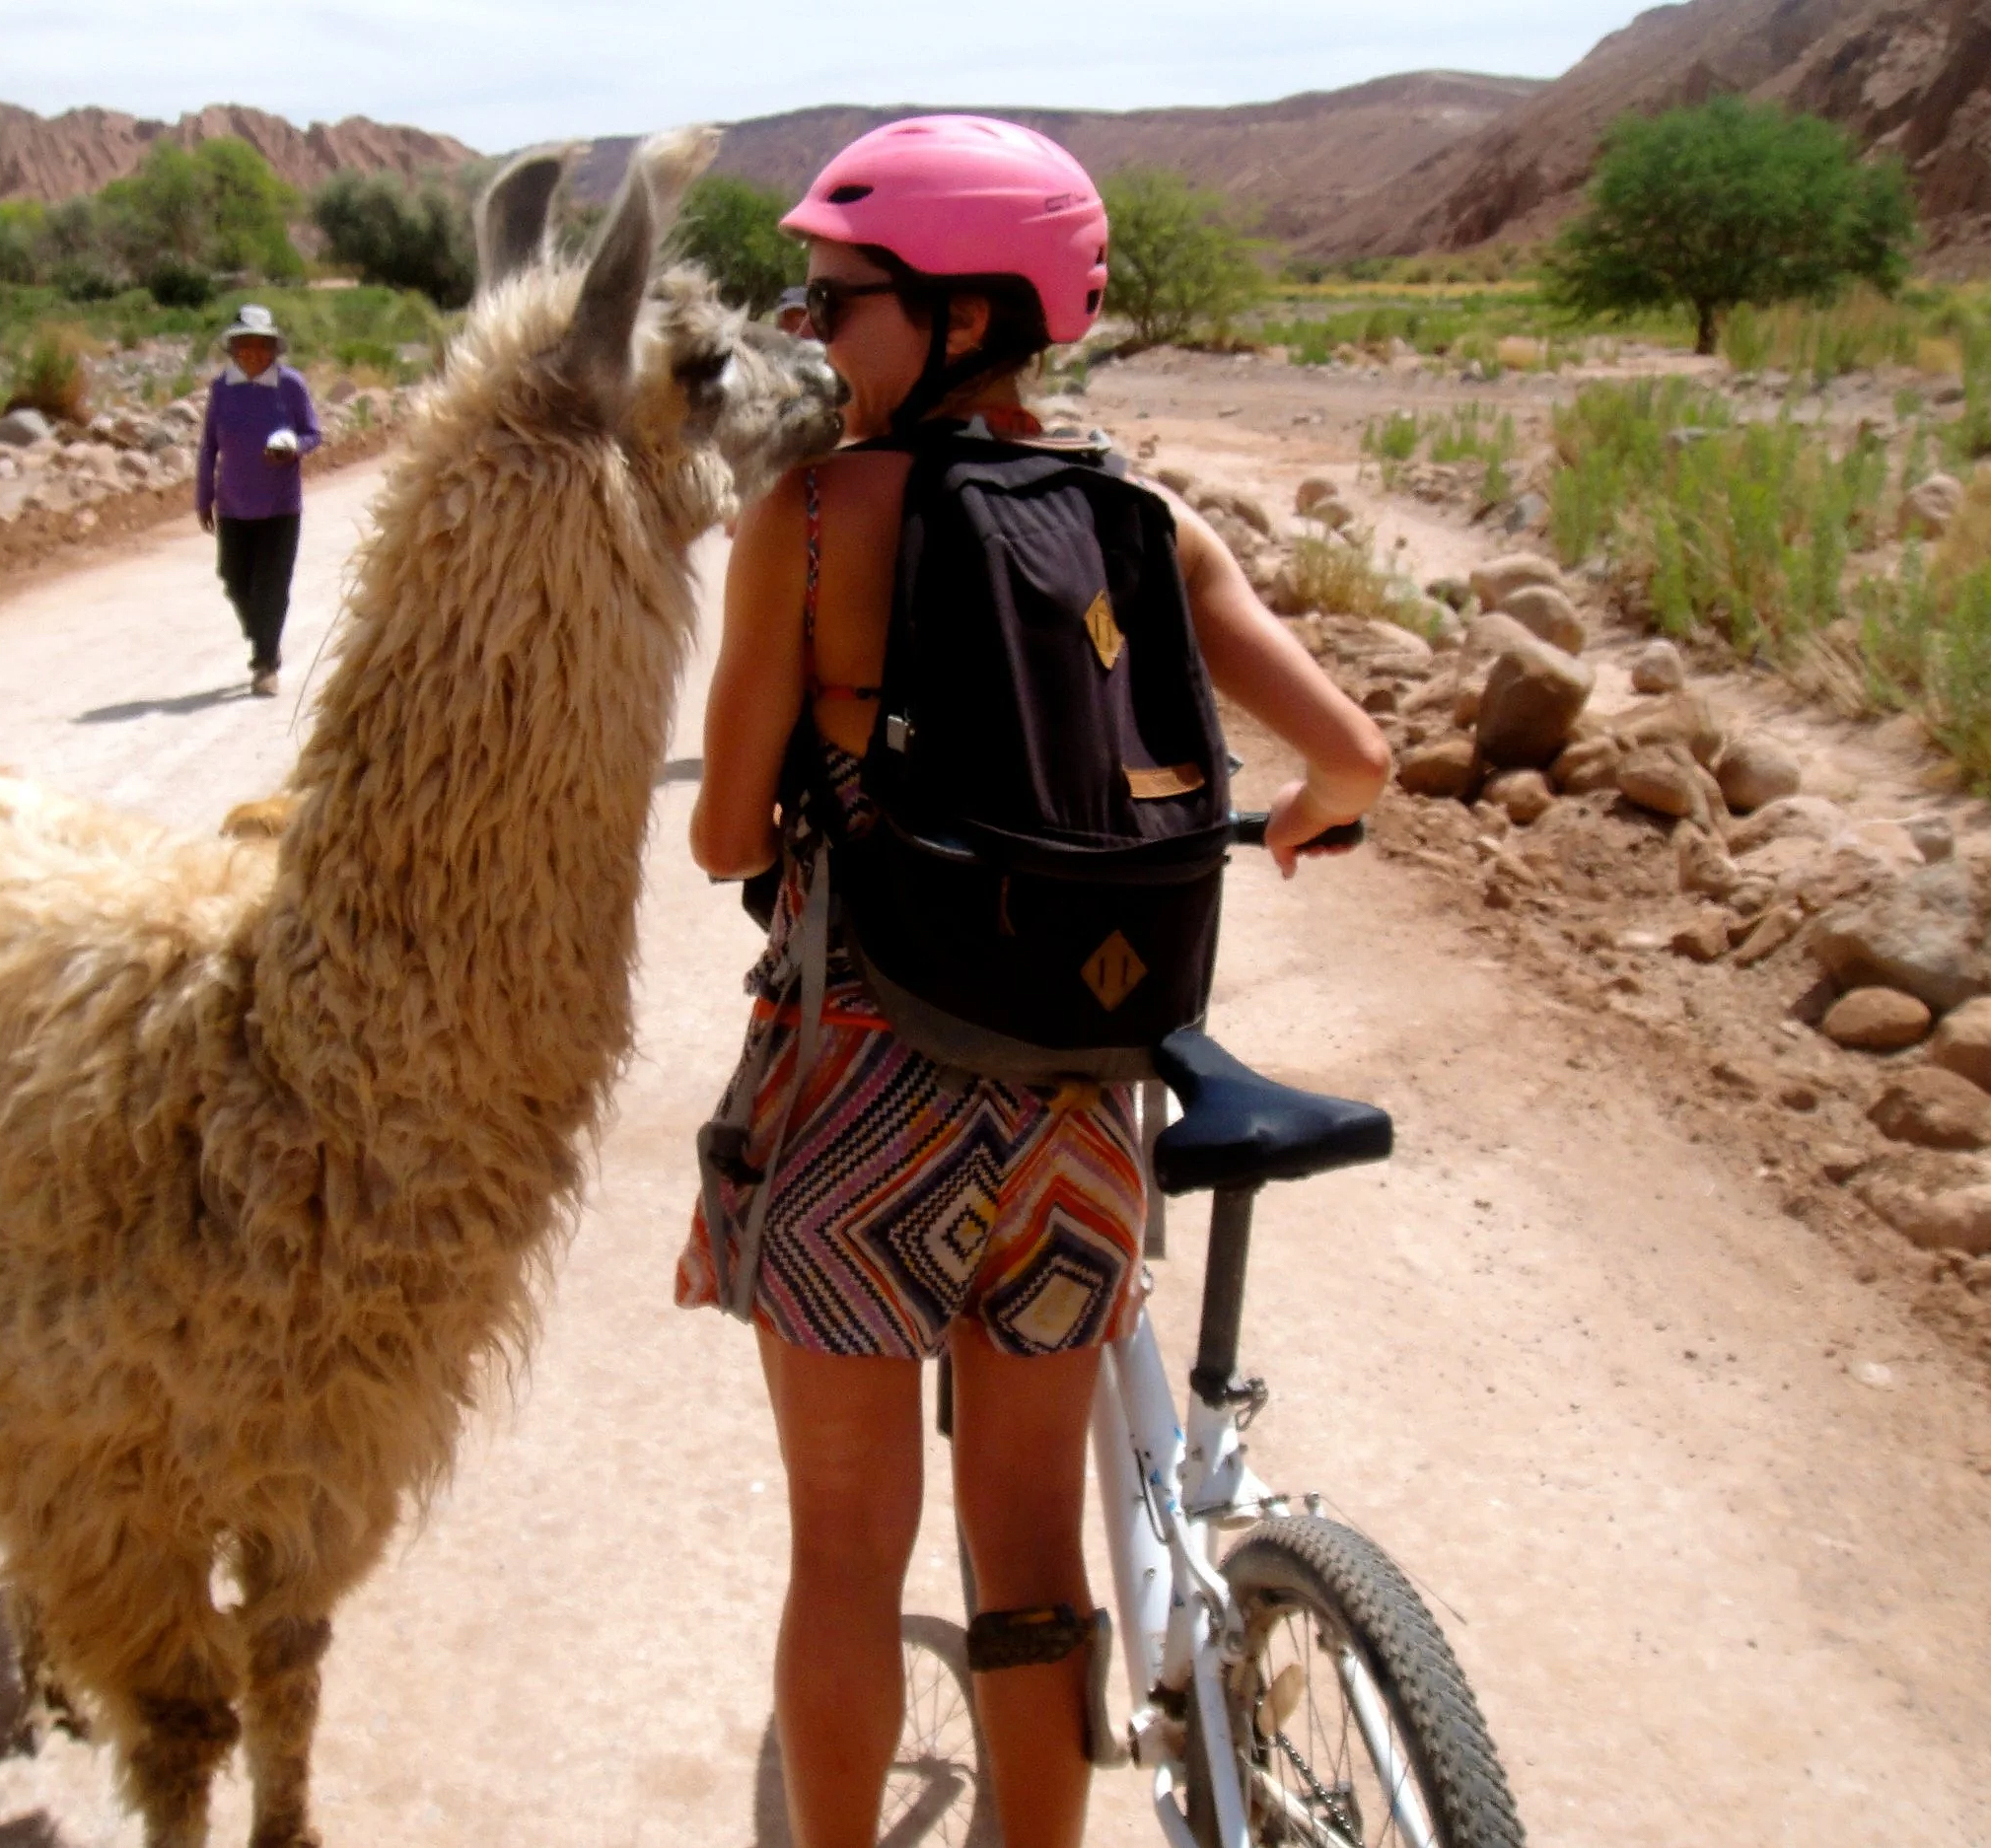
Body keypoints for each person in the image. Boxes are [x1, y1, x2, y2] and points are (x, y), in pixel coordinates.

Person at [676, 117, 1390, 1848]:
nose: (811, 336)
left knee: (846, 1552)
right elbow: (1359, 753)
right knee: (1030, 1547)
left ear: (962, 315)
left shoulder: (820, 518)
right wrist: (1292, 820)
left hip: (859, 1087)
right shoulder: (1145, 514)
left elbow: (714, 840)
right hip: (1082, 1096)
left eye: (840, 301)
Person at [196, 303, 320, 696]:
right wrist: (203, 496)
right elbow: (208, 447)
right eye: (243, 345)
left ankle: (265, 662)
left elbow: (313, 434)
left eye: (260, 345)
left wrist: (292, 449)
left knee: (272, 585)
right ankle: (262, 635)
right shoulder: (222, 389)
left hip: (281, 505)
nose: (252, 353)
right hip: (233, 504)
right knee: (233, 579)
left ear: (273, 348)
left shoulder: (291, 386)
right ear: (232, 350)